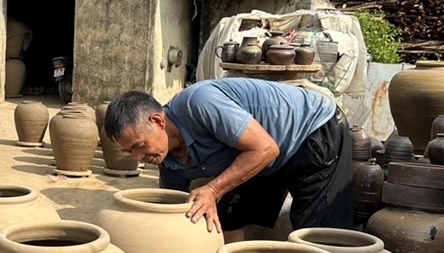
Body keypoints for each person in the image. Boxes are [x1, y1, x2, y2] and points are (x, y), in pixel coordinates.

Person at [104, 78, 352, 239]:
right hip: (260, 154)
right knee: (223, 220)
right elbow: (174, 210)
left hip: (313, 129)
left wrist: (212, 189)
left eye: (139, 146)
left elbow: (265, 149)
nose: (138, 158)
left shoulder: (200, 104)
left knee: (317, 234)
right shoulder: (168, 162)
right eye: (129, 152)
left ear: (158, 121)